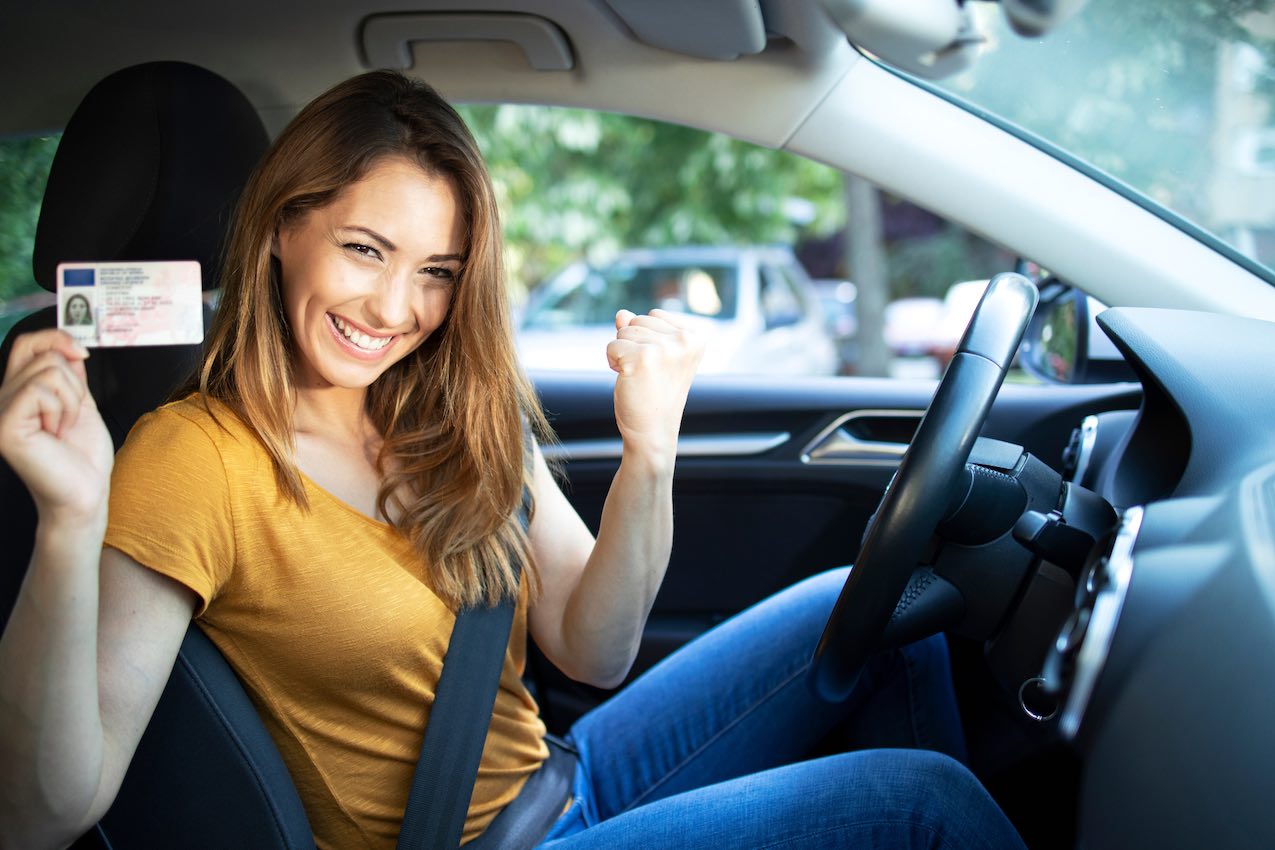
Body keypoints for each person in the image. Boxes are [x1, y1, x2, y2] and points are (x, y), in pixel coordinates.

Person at [0, 71, 1025, 850]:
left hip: (561, 782)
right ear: (281, 229)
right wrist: (66, 524)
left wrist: (649, 452)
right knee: (920, 804)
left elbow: (593, 646)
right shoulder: (190, 459)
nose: (395, 310)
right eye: (364, 249)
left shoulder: (444, 404)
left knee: (880, 610)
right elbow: (50, 811)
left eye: (435, 271)